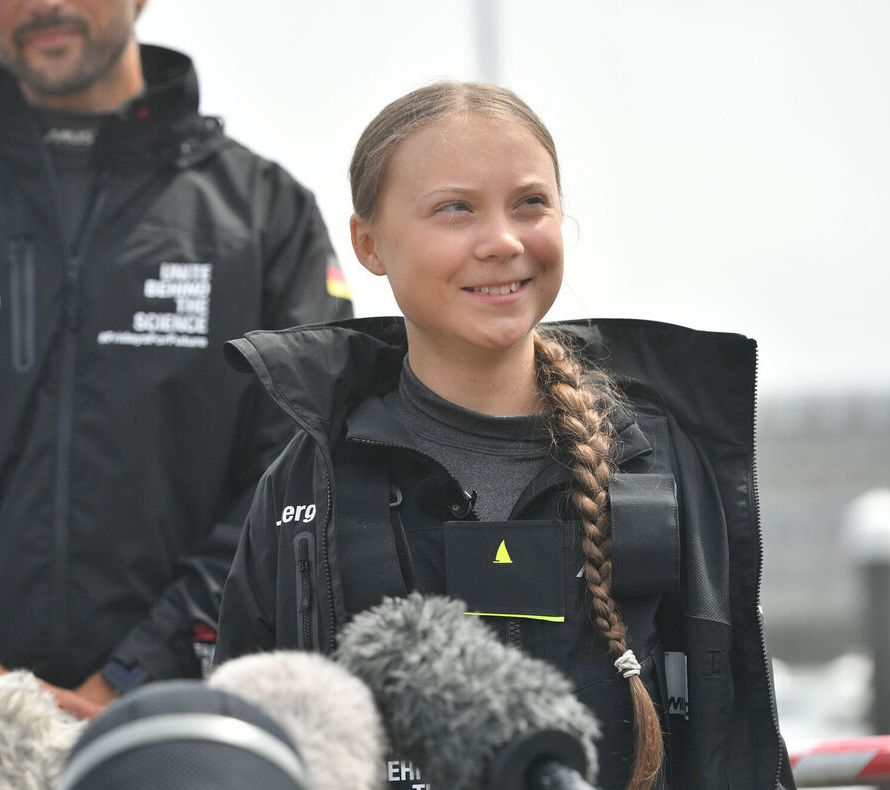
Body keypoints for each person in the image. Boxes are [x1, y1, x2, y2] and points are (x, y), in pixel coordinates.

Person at [213, 83, 795, 789]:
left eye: (531, 203)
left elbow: (731, 737)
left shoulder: (662, 464)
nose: (502, 241)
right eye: (454, 208)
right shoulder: (307, 481)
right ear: (369, 243)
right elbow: (239, 742)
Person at [0, 0, 351, 720]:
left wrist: (141, 676)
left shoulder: (267, 219)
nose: (41, 4)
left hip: (187, 725)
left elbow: (307, 468)